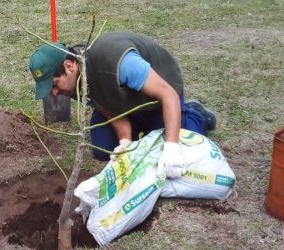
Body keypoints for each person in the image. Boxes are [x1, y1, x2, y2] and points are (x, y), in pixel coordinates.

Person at [28, 31, 216, 178]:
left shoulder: (118, 62)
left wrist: (172, 147)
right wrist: (124, 141)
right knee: (104, 149)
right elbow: (105, 105)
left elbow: (168, 95)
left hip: (158, 97)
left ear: (69, 66)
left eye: (54, 84)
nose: (54, 93)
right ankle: (139, 130)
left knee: (177, 143)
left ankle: (195, 114)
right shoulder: (74, 82)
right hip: (124, 101)